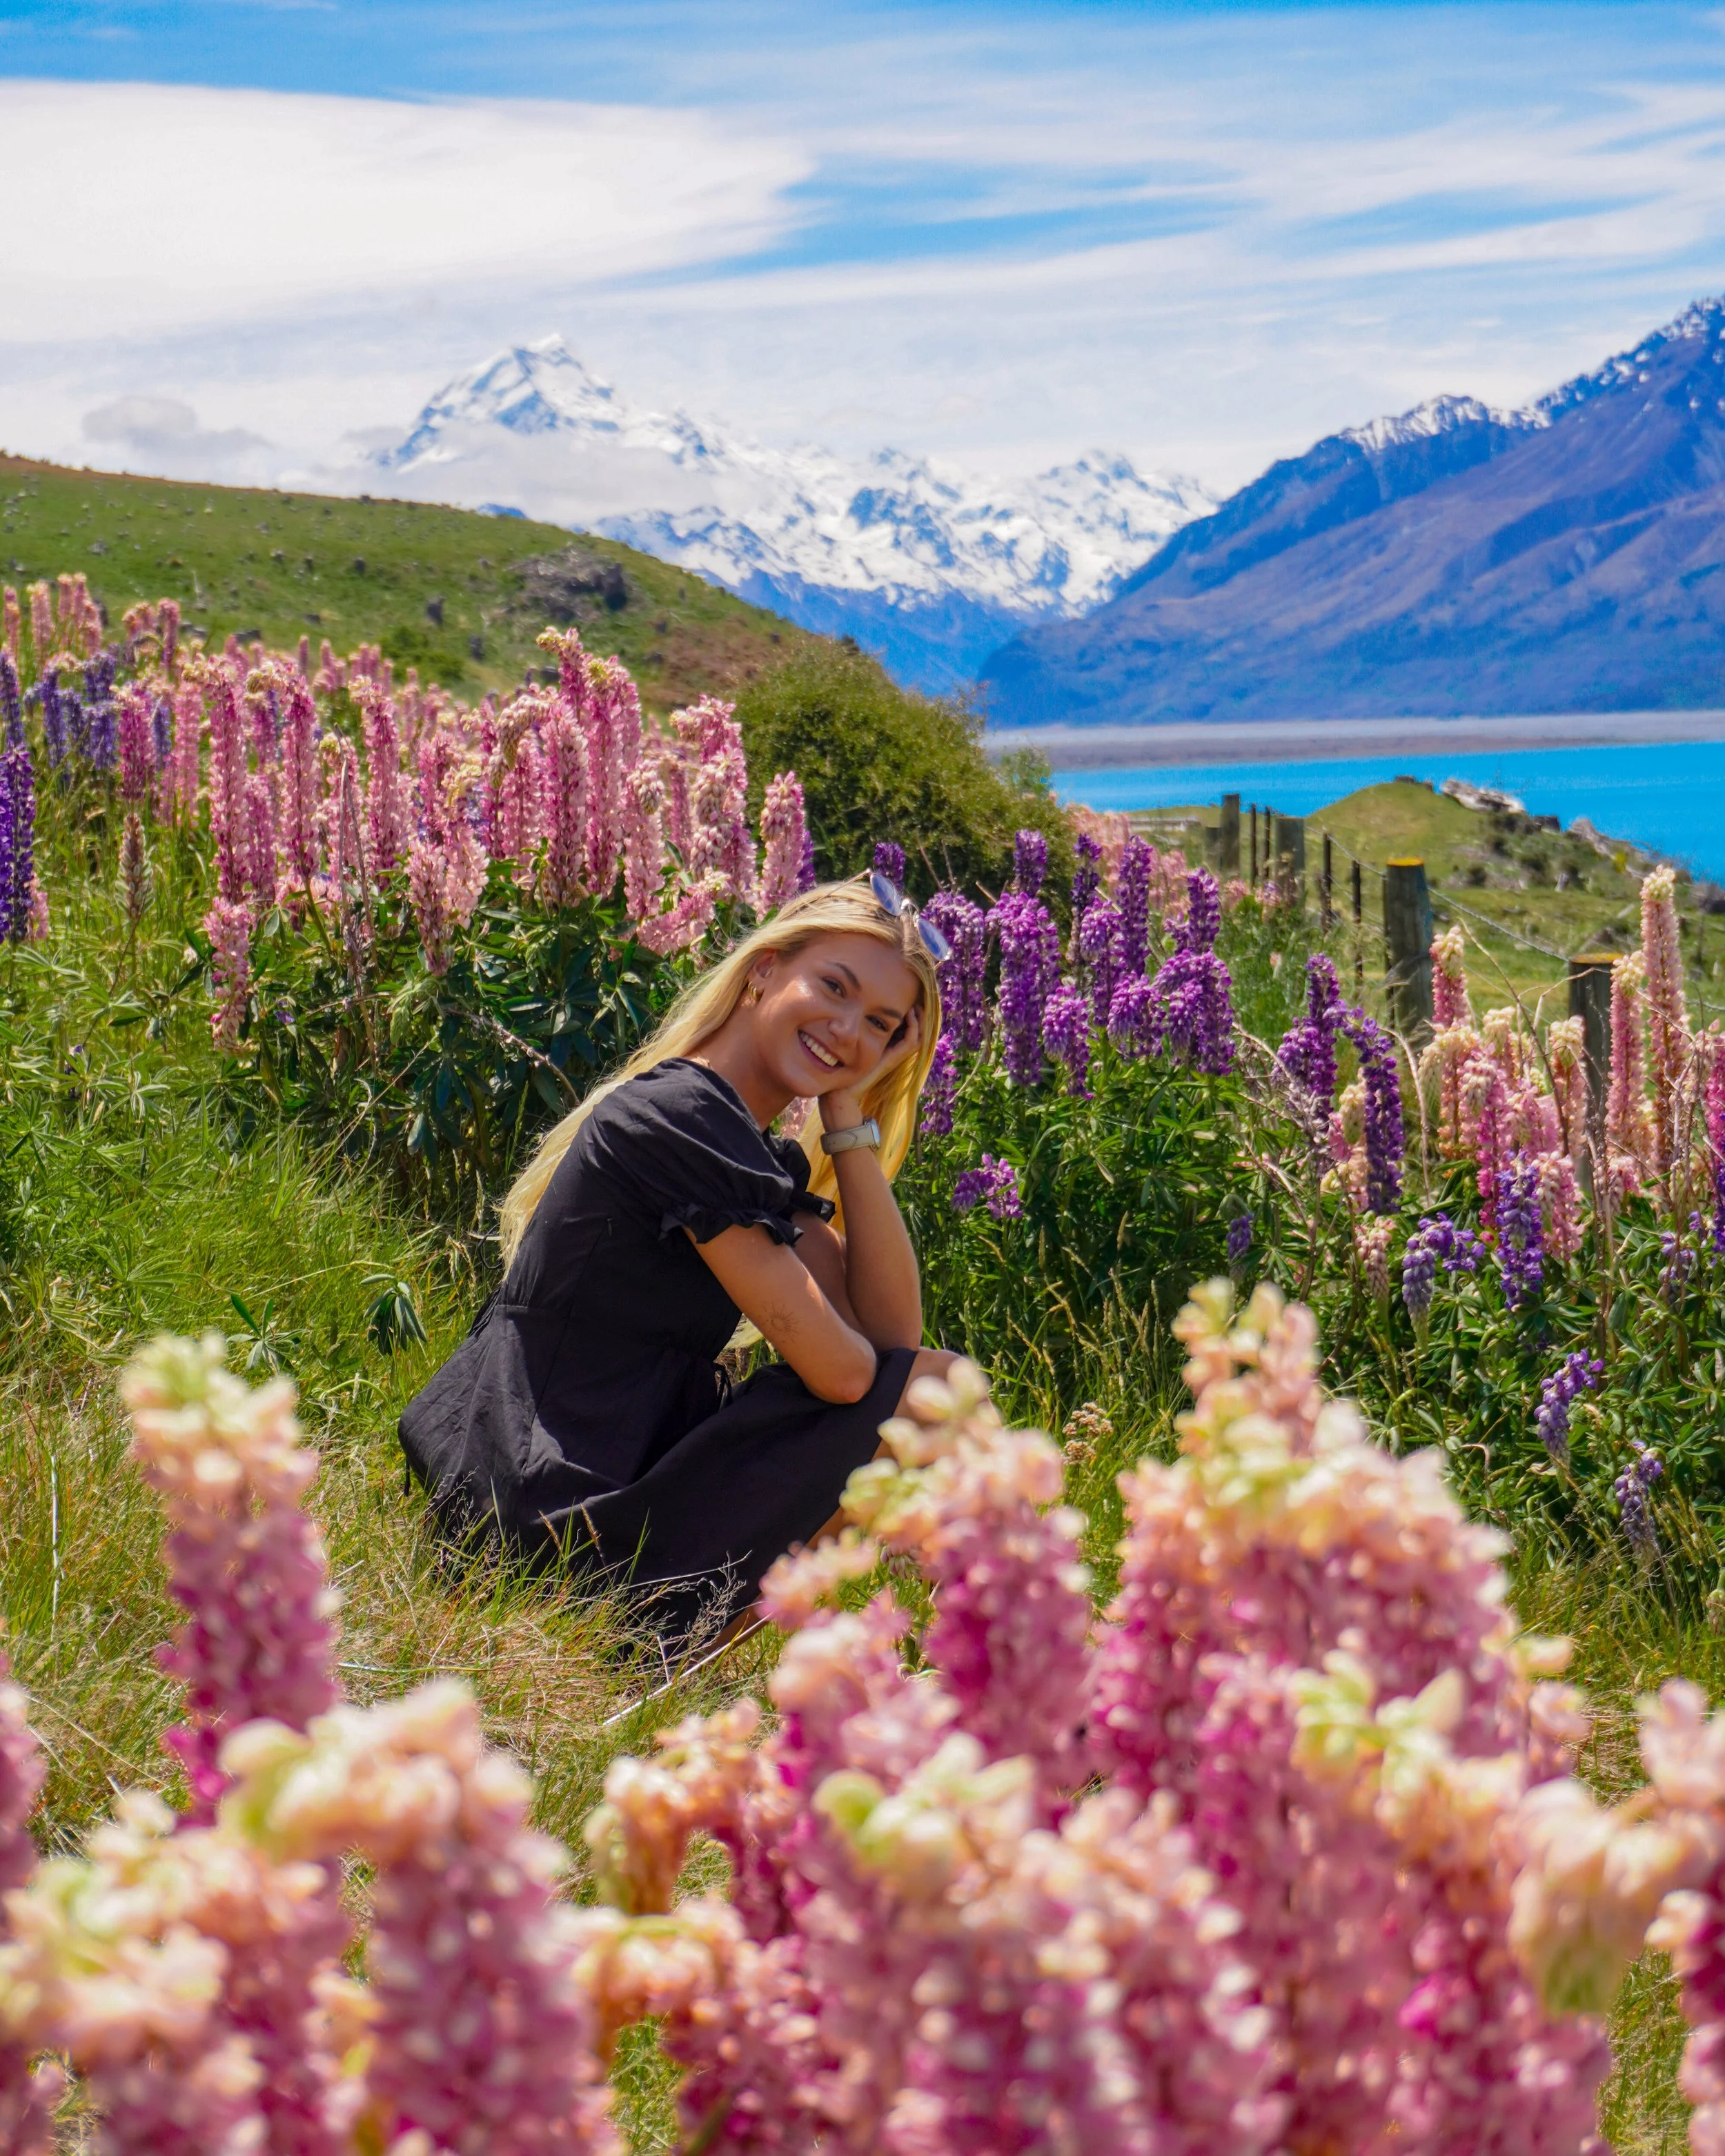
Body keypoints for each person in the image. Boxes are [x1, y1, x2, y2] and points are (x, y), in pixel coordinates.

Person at [398, 875, 961, 1645]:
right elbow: (851, 1376)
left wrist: (846, 1117)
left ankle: (682, 1659)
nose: (846, 1029)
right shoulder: (682, 1122)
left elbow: (894, 1337)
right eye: (833, 985)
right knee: (935, 1392)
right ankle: (981, 1652)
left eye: (880, 1023)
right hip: (547, 1506)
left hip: (576, 1487)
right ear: (764, 967)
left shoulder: (734, 1142)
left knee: (928, 1386)